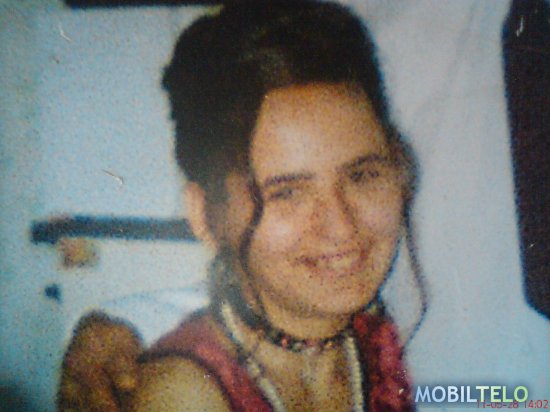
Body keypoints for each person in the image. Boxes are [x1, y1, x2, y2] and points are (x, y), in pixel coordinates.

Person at [58, 1, 417, 410]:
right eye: (286, 192)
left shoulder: (372, 338)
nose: (341, 226)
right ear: (203, 215)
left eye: (362, 175)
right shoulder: (184, 395)